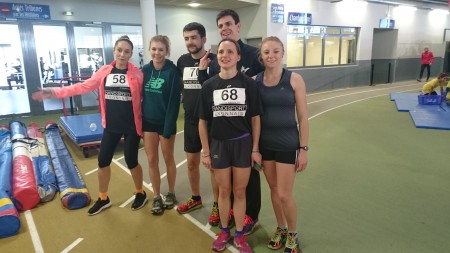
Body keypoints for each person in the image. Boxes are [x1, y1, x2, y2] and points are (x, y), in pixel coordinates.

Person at [31, 35, 148, 216]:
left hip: (132, 126)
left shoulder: (137, 75)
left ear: (131, 54)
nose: (122, 54)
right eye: (119, 50)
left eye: (126, 51)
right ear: (114, 51)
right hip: (111, 125)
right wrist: (53, 92)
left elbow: (144, 99)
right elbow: (82, 87)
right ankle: (103, 198)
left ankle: (140, 193)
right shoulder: (104, 71)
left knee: (132, 161)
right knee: (103, 161)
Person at [198, 8, 265, 235]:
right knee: (225, 184)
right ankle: (224, 215)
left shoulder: (255, 54)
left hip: (247, 131)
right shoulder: (217, 63)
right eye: (220, 25)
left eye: (228, 24)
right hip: (221, 136)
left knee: (248, 182)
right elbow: (212, 92)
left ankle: (250, 216)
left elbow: (266, 80)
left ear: (238, 26)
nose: (224, 28)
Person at [255, 36, 309, 253]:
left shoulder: (295, 79)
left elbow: (304, 117)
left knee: (285, 194)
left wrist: (304, 149)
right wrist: (255, 149)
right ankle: (281, 228)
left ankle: (293, 235)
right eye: (267, 52)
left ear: (282, 52)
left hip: (287, 144)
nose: (271, 56)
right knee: (274, 190)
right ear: (261, 55)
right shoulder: (254, 80)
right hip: (265, 145)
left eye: (275, 51)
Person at [175, 22, 218, 216]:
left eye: (193, 37)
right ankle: (195, 198)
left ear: (203, 39)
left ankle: (218, 205)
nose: (190, 42)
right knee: (192, 163)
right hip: (191, 121)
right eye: (186, 38)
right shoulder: (182, 61)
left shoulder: (215, 61)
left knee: (214, 166)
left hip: (212, 123)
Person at [141, 35, 181, 215]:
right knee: (151, 160)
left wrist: (167, 128)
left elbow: (174, 102)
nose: (157, 53)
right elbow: (140, 98)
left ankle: (171, 193)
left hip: (165, 123)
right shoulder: (145, 71)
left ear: (167, 52)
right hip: (148, 122)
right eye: (154, 49)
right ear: (150, 50)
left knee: (168, 158)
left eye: (161, 50)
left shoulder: (172, 71)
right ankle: (156, 196)